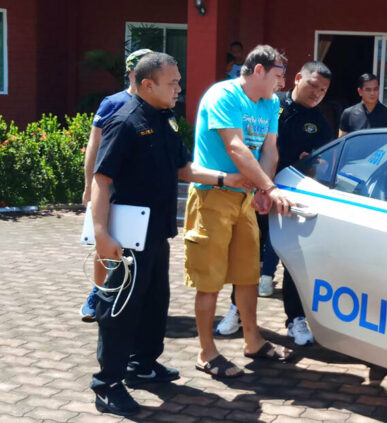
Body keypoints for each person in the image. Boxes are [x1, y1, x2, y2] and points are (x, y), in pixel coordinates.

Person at [89, 52, 253, 416]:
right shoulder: (126, 122)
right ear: (148, 84)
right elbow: (102, 179)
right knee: (120, 311)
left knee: (154, 303)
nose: (179, 88)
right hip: (127, 238)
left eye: (179, 81)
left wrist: (227, 179)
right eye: (173, 82)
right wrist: (102, 234)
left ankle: (142, 366)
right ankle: (108, 385)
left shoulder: (164, 120)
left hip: (156, 232)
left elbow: (183, 169)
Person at [185, 45, 295, 380]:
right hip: (211, 197)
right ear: (259, 70)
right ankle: (207, 352)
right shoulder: (225, 95)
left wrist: (263, 188)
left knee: (248, 274)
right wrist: (270, 189)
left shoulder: (271, 102)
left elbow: (269, 148)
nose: (282, 84)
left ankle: (253, 341)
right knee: (210, 280)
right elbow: (236, 146)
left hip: (245, 198)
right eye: (278, 76)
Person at [216, 61, 333, 346]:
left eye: (324, 90)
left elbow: (325, 165)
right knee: (248, 255)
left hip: (292, 199)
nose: (317, 93)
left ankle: (296, 319)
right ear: (296, 79)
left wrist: (315, 164)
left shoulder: (320, 122)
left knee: (294, 262)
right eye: (313, 85)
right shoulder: (270, 105)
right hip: (256, 193)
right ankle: (237, 310)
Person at [80, 48, 153, 322]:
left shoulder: (157, 106)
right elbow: (94, 145)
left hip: (138, 191)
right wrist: (89, 186)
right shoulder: (112, 103)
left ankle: (131, 296)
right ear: (132, 72)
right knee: (103, 243)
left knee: (135, 246)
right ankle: (98, 293)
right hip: (108, 185)